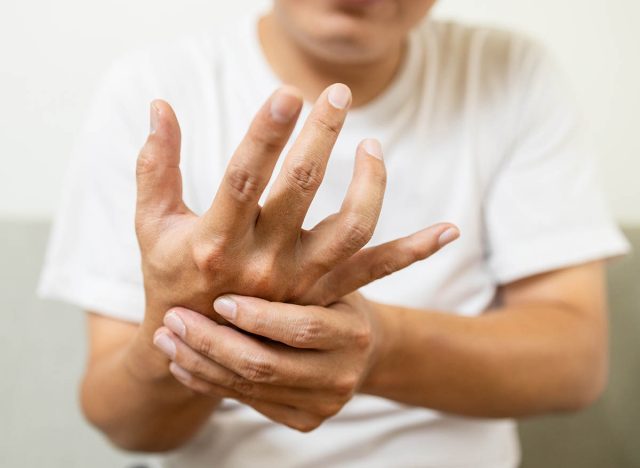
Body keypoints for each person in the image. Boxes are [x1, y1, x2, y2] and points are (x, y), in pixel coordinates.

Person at [39, 1, 630, 467]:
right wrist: (191, 325)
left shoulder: (509, 72)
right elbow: (126, 424)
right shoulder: (156, 84)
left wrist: (382, 345)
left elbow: (574, 364)